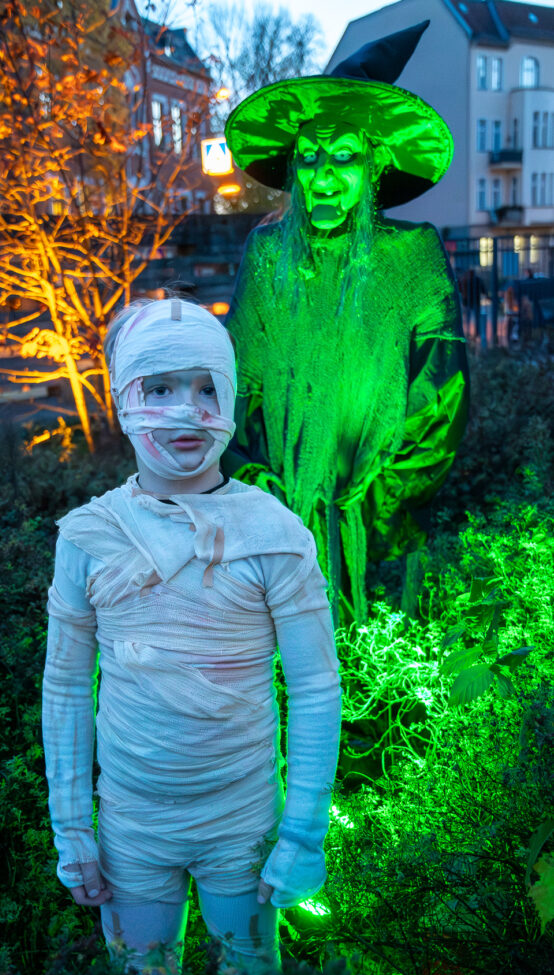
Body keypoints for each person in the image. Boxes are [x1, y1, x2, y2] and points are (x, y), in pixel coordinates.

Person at [41, 298, 342, 975]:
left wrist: (303, 833)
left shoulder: (275, 535)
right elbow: (66, 687)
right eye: (162, 388)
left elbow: (315, 687)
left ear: (231, 398)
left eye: (207, 388)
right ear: (124, 400)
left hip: (242, 816)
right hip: (132, 823)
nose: (187, 412)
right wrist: (72, 827)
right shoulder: (91, 537)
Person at [222, 21, 469, 625]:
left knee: (383, 663)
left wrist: (377, 505)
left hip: (378, 522)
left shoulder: (411, 254)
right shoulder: (268, 255)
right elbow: (234, 385)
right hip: (282, 524)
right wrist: (257, 487)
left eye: (343, 156)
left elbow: (442, 396)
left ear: (373, 165)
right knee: (287, 664)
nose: (324, 176)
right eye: (309, 158)